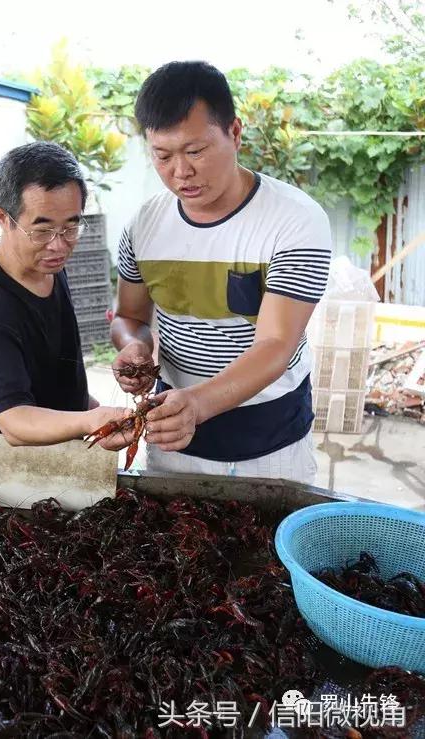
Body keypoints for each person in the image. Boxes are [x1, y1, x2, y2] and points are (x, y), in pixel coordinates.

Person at [111, 61, 332, 483]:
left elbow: (274, 343)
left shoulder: (296, 221)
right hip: (172, 433)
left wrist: (197, 404)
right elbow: (131, 317)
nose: (181, 172)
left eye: (195, 151)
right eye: (162, 155)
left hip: (270, 440)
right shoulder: (143, 225)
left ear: (234, 132)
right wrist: (134, 347)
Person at [0, 141, 128, 447]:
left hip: (65, 447)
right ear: (2, 218)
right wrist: (90, 421)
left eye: (71, 226)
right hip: (19, 471)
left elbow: (51, 373)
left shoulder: (46, 264)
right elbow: (15, 422)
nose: (59, 245)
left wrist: (96, 412)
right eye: (41, 230)